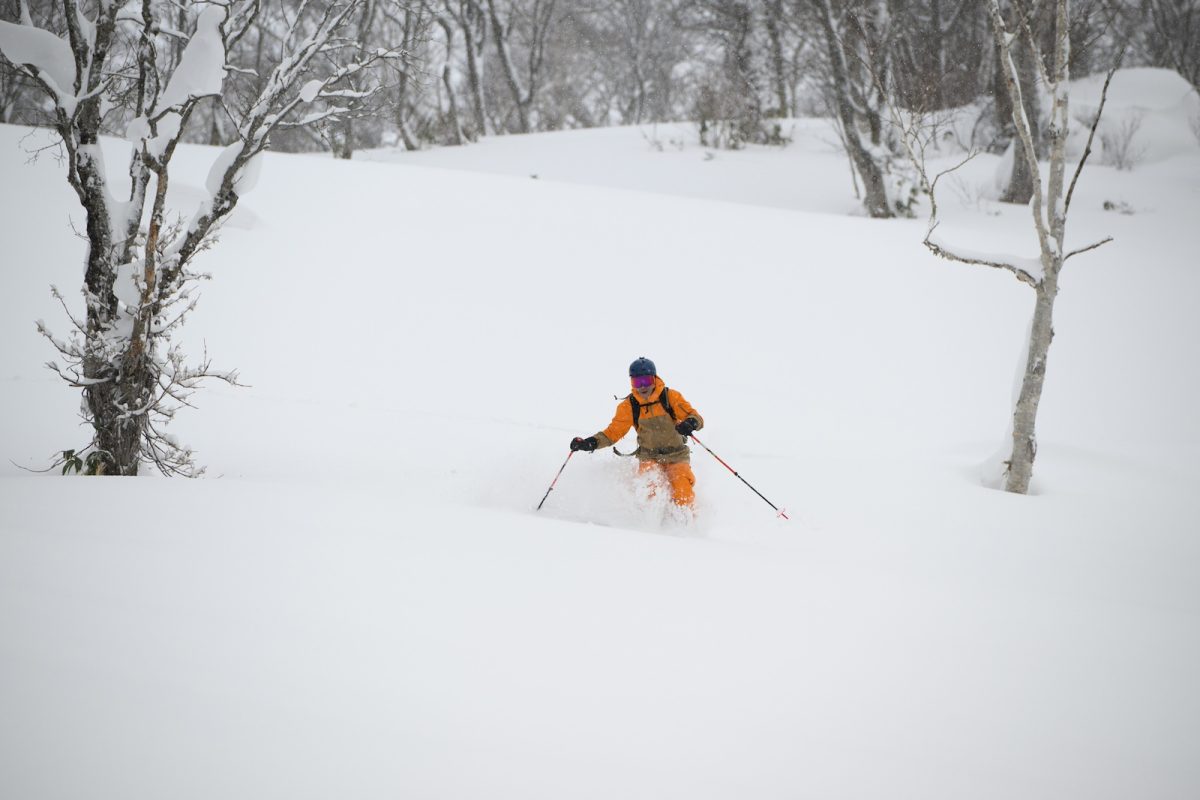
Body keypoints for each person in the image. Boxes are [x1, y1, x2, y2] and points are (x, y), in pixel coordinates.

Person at [571, 357, 704, 508]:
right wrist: (591, 442)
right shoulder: (629, 406)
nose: (642, 386)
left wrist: (690, 423)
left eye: (646, 381)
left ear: (654, 378)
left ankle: (686, 524)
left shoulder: (670, 397)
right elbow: (614, 432)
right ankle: (649, 525)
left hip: (676, 454)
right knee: (650, 489)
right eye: (637, 382)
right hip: (649, 456)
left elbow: (696, 417)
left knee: (682, 490)